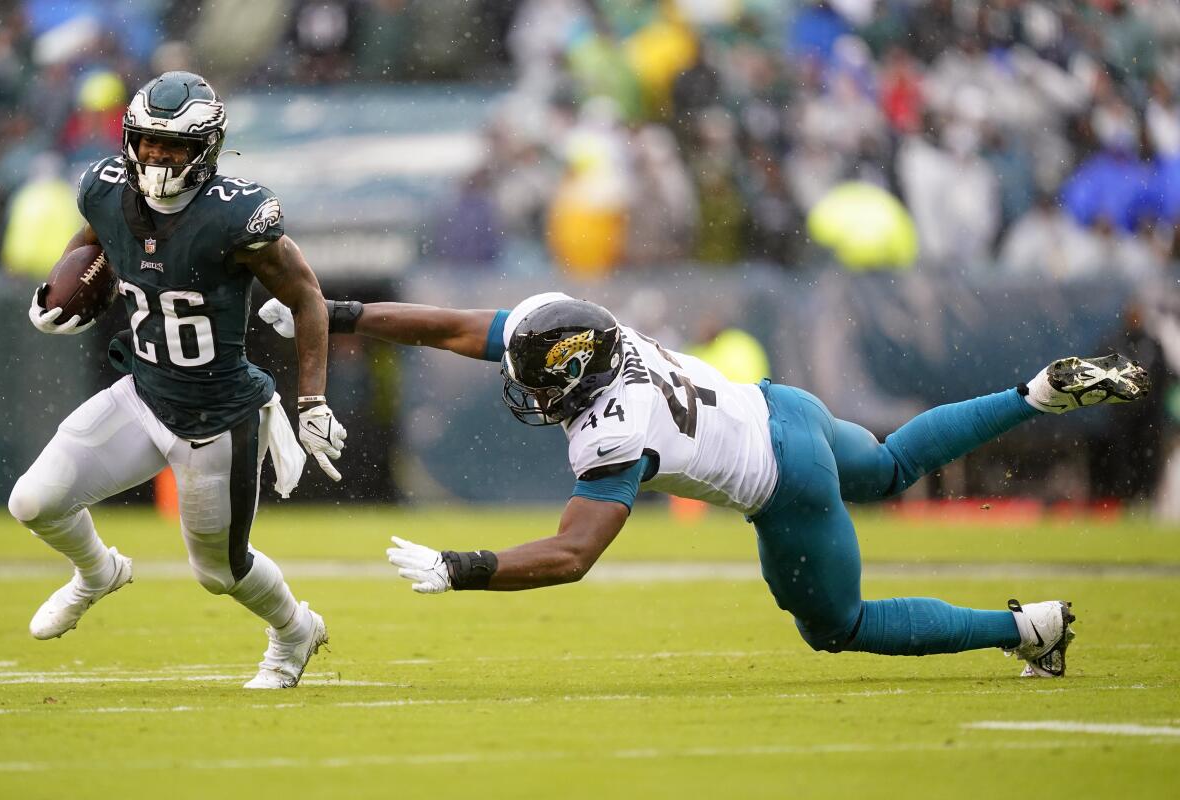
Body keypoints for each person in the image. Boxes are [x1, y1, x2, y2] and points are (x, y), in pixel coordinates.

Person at [260, 292, 1150, 677]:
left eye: (541, 386)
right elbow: (457, 327)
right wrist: (334, 314)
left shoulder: (616, 426)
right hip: (784, 409)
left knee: (834, 628)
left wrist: (463, 567)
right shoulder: (575, 327)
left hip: (781, 477)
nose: (528, 395)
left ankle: (1024, 631)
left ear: (576, 377)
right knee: (885, 466)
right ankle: (1034, 394)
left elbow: (574, 555)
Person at [7, 72, 347, 690]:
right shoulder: (105, 189)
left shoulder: (237, 215)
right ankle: (96, 572)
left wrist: (313, 400)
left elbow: (309, 299)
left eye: (174, 146)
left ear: (206, 148)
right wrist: (63, 287)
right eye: (148, 142)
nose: (158, 156)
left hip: (216, 416)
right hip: (143, 392)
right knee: (33, 501)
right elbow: (94, 242)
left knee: (219, 573)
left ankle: (295, 629)